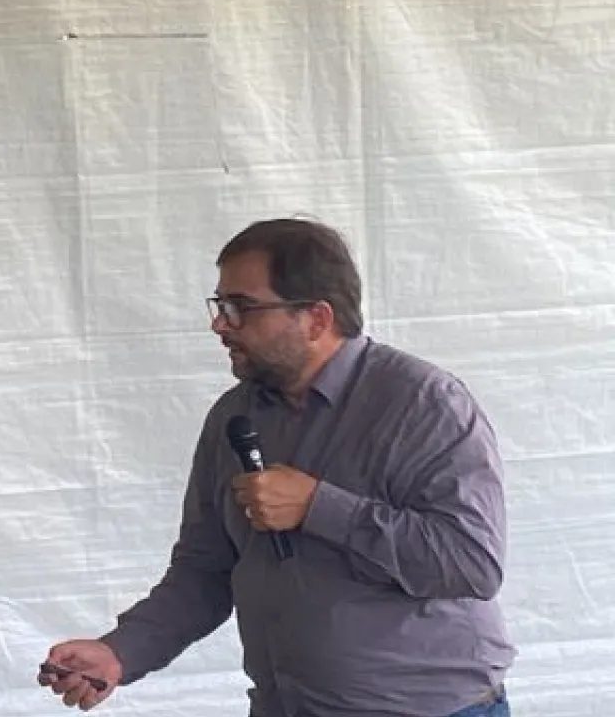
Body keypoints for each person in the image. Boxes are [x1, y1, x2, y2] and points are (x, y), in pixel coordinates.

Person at [38, 218, 514, 717]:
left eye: (241, 307)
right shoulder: (235, 417)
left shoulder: (423, 404)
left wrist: (318, 506)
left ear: (316, 317)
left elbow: (471, 564)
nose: (220, 325)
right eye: (220, 306)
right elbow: (204, 570)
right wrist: (119, 652)